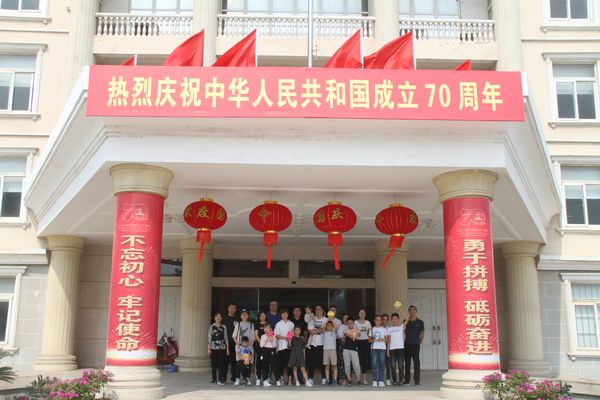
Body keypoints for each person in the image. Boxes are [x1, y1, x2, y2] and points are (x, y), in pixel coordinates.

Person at [403, 305, 425, 386]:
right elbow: (404, 331)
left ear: (416, 311)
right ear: (409, 311)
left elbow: (422, 333)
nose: (412, 311)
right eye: (410, 310)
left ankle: (417, 380)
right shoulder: (406, 321)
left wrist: (420, 341)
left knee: (416, 363)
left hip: (415, 345)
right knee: (407, 363)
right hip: (407, 344)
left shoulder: (420, 322)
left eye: (414, 310)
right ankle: (407, 380)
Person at [307, 304, 327, 385]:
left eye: (319, 309)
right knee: (311, 362)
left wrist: (318, 330)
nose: (318, 311)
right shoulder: (312, 319)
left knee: (323, 362)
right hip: (313, 344)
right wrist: (320, 330)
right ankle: (310, 378)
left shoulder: (326, 320)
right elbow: (311, 331)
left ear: (322, 310)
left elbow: (325, 329)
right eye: (316, 309)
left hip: (323, 344)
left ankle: (324, 378)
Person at [274, 307, 295, 386]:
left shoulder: (291, 324)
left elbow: (293, 334)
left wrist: (290, 339)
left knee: (290, 364)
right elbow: (276, 335)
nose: (284, 315)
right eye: (283, 313)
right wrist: (285, 338)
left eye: (285, 313)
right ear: (281, 315)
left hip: (290, 346)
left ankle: (290, 379)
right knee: (281, 364)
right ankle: (281, 379)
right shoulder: (278, 324)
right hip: (281, 346)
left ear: (288, 314)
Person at [208, 312, 229, 385]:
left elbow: (226, 338)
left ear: (221, 318)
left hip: (222, 347)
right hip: (213, 347)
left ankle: (220, 378)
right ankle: (214, 378)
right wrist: (208, 349)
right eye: (217, 316)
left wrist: (227, 349)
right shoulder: (211, 327)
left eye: (219, 316)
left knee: (221, 364)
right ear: (214, 318)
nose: (218, 318)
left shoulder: (224, 327)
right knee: (213, 364)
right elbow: (209, 338)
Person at [368, 314, 389, 387]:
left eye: (380, 320)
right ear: (374, 321)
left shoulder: (384, 329)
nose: (378, 321)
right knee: (374, 365)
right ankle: (374, 380)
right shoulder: (371, 329)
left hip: (382, 349)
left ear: (381, 321)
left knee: (382, 365)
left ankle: (381, 381)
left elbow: (387, 340)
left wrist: (382, 339)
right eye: (377, 320)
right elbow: (369, 340)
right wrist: (374, 339)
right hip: (374, 349)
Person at [387, 312, 407, 386]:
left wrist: (400, 310)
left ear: (398, 320)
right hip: (392, 349)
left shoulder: (401, 327)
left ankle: (401, 381)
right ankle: (394, 381)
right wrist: (388, 351)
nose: (394, 320)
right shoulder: (389, 329)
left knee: (401, 365)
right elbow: (388, 341)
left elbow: (407, 319)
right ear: (391, 320)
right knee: (393, 366)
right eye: (393, 319)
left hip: (400, 349)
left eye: (396, 319)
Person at [221, 303, 238, 383]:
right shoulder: (223, 318)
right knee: (225, 361)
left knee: (234, 361)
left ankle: (234, 377)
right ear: (228, 308)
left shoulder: (238, 318)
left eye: (234, 308)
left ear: (236, 309)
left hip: (235, 343)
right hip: (225, 343)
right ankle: (223, 377)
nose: (232, 309)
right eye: (231, 308)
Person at [354, 308, 371, 386]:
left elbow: (370, 332)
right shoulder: (355, 322)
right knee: (358, 360)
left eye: (363, 313)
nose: (362, 314)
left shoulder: (368, 322)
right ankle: (358, 378)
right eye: (360, 313)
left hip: (366, 342)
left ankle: (364, 379)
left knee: (365, 361)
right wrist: (356, 334)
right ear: (358, 314)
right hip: (358, 342)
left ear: (365, 314)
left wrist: (370, 339)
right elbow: (353, 332)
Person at [342, 317, 361, 387]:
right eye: (349, 323)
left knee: (356, 364)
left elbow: (358, 334)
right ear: (347, 323)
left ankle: (358, 379)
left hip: (354, 349)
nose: (350, 324)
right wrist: (351, 335)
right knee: (347, 364)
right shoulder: (345, 329)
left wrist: (355, 334)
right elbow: (346, 334)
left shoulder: (356, 330)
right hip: (346, 349)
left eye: (351, 323)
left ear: (353, 323)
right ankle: (349, 379)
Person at [259, 323, 277, 387]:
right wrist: (266, 339)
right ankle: (265, 380)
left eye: (268, 328)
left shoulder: (273, 336)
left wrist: (271, 338)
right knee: (265, 365)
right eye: (265, 328)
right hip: (265, 350)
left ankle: (277, 380)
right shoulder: (263, 336)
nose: (266, 329)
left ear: (271, 329)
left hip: (271, 350)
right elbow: (261, 345)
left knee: (274, 365)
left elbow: (274, 345)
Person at [253, 311, 268, 386]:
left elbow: (270, 334)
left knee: (266, 362)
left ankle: (266, 379)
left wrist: (266, 343)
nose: (262, 317)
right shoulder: (256, 324)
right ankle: (258, 379)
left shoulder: (268, 324)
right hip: (259, 346)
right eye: (261, 315)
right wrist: (261, 343)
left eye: (264, 315)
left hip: (267, 346)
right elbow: (256, 335)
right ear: (259, 317)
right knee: (258, 362)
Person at [323, 320, 338, 385]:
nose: (329, 326)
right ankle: (327, 379)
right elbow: (322, 326)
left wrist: (331, 320)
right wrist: (327, 320)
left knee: (334, 365)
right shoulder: (325, 332)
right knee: (327, 366)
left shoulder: (334, 332)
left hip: (333, 350)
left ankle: (335, 380)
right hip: (326, 350)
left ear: (332, 326)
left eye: (330, 325)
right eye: (328, 325)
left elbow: (336, 327)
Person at [381, 313, 392, 385]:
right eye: (384, 319)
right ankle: (381, 380)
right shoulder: (379, 328)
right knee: (381, 365)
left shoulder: (389, 329)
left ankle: (388, 379)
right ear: (381, 320)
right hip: (380, 348)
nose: (385, 321)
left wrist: (388, 350)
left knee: (388, 365)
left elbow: (390, 340)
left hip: (388, 348)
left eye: (386, 319)